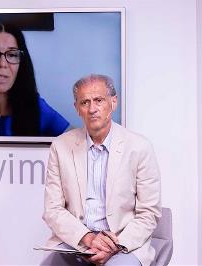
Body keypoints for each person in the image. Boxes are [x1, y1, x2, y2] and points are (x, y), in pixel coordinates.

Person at [42, 74, 161, 266]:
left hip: (123, 243)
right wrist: (87, 238)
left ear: (113, 103)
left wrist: (114, 244)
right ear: (77, 109)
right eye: (84, 102)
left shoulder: (139, 147)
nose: (92, 109)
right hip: (78, 241)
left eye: (99, 100)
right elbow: (53, 210)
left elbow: (149, 213)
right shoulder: (60, 146)